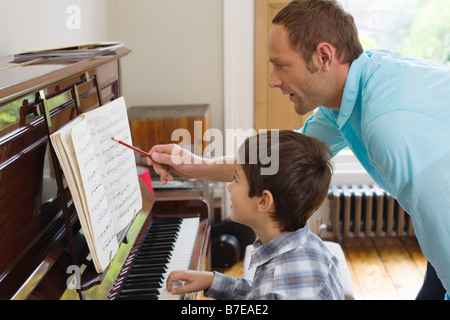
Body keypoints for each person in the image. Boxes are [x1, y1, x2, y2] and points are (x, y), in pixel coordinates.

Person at [149, 0, 450, 299]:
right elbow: (274, 162)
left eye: (281, 65)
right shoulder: (346, 95)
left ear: (323, 56)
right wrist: (193, 165)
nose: (272, 81)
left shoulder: (390, 126)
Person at [165, 130, 344, 300]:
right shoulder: (311, 245)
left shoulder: (274, 288)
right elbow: (257, 293)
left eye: (236, 179)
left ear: (264, 202)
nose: (229, 186)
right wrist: (213, 281)